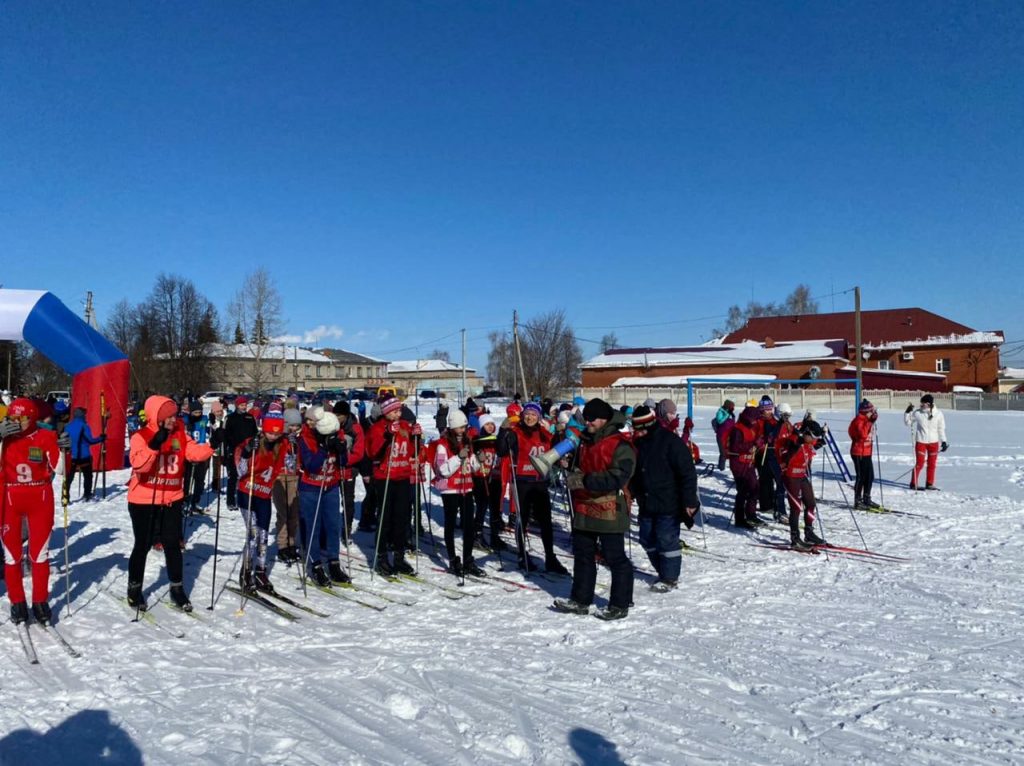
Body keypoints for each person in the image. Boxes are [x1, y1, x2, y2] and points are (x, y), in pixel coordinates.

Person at [126, 395, 214, 612]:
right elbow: (139, 466)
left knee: (172, 544)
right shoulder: (142, 435)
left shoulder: (180, 434)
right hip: (144, 499)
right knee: (143, 544)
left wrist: (213, 444)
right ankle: (134, 588)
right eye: (169, 416)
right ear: (158, 417)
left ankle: (177, 588)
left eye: (174, 415)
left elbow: (194, 453)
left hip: (172, 498)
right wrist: (154, 445)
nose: (173, 419)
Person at [553, 398, 636, 620]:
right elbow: (584, 466)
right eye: (586, 418)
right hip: (584, 506)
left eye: (592, 419)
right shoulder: (585, 441)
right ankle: (580, 600)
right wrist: (569, 465)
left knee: (614, 557)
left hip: (610, 507)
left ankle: (620, 603)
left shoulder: (620, 444)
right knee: (582, 554)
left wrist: (584, 480)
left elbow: (618, 477)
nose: (587, 422)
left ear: (605, 419)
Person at [1, 399, 60, 624]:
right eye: (14, 418)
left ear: (32, 417)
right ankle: (17, 602)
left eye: (23, 418)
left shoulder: (45, 436)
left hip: (39, 497)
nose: (18, 423)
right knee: (12, 554)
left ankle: (40, 601)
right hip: (9, 499)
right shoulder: (5, 438)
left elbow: (61, 468)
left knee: (39, 553)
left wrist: (64, 449)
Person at [628, 405, 698, 592]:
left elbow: (688, 473)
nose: (637, 432)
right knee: (646, 538)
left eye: (640, 429)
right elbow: (636, 472)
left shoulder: (670, 442)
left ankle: (669, 577)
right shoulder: (639, 444)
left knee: (666, 539)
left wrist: (690, 500)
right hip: (647, 501)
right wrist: (633, 490)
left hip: (669, 501)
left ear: (648, 425)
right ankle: (663, 570)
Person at [496, 401, 569, 574]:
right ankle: (522, 555)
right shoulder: (515, 432)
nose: (530, 417)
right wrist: (503, 431)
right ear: (523, 415)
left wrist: (560, 435)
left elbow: (554, 452)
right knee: (523, 519)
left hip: (540, 482)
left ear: (538, 417)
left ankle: (550, 557)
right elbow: (501, 451)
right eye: (527, 414)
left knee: (545, 522)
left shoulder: (544, 433)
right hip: (522, 481)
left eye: (534, 415)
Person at [236, 413, 292, 593]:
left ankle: (260, 571)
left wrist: (293, 449)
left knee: (264, 536)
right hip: (247, 493)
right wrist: (246, 453)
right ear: (264, 430)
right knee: (253, 535)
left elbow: (291, 467)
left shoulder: (282, 444)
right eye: (270, 433)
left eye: (277, 434)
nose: (273, 437)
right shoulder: (251, 443)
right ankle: (245, 572)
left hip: (264, 495)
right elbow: (240, 471)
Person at [365, 394, 419, 576]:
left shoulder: (404, 426)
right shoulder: (377, 428)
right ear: (386, 412)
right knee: (385, 517)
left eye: (399, 411)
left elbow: (412, 451)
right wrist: (387, 436)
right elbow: (373, 453)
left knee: (402, 518)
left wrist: (415, 438)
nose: (398, 414)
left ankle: (398, 556)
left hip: (402, 476)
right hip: (384, 477)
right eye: (394, 411)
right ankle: (381, 557)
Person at [296, 410, 349, 586]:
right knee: (313, 527)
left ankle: (334, 563)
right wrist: (323, 448)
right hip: (310, 487)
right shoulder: (305, 438)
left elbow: (343, 462)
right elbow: (311, 465)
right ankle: (316, 564)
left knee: (334, 525)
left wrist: (341, 450)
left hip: (331, 486)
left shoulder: (334, 433)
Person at [432, 409, 485, 578]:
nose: (463, 431)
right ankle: (453, 559)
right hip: (450, 490)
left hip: (467, 488)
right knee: (450, 524)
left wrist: (478, 460)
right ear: (453, 427)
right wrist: (458, 458)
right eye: (460, 428)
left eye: (465, 427)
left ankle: (468, 559)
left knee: (468, 525)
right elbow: (443, 470)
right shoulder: (443, 444)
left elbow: (472, 467)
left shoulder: (467, 442)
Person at [781, 418, 826, 548]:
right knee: (796, 507)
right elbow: (785, 456)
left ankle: (809, 532)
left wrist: (822, 437)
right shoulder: (793, 441)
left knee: (811, 503)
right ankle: (795, 538)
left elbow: (815, 443)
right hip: (790, 476)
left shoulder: (808, 440)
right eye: (812, 437)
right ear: (805, 433)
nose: (813, 440)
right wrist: (797, 444)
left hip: (802, 475)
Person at [472, 415, 506, 550]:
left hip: (495, 477)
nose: (490, 426)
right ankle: (477, 535)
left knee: (495, 508)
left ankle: (494, 536)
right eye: (487, 424)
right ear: (481, 427)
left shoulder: (496, 441)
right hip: (481, 477)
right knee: (482, 506)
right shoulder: (477, 441)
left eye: (492, 424)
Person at [273, 408, 303, 564]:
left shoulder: (298, 440)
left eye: (297, 426)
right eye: (291, 425)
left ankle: (291, 543)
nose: (294, 429)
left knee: (294, 513)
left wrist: (296, 445)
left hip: (294, 477)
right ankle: (282, 545)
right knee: (283, 513)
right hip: (279, 478)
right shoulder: (277, 438)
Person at [333, 401, 365, 536]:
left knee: (347, 501)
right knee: (332, 501)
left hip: (348, 470)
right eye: (335, 414)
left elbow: (359, 452)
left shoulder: (355, 428)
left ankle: (347, 528)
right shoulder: (332, 427)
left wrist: (345, 460)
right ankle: (331, 527)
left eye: (339, 415)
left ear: (345, 416)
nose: (336, 418)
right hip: (333, 470)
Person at [728, 405, 763, 529]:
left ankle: (751, 514)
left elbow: (753, 445)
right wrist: (752, 444)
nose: (755, 421)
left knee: (755, 488)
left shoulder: (751, 428)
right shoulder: (737, 429)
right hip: (738, 463)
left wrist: (759, 443)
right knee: (743, 491)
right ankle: (739, 518)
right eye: (754, 419)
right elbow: (735, 447)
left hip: (749, 463)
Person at [905, 394, 947, 490]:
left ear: (929, 404)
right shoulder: (918, 413)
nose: (921, 405)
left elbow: (941, 429)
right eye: (921, 403)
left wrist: (944, 441)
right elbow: (908, 422)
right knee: (920, 463)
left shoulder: (938, 414)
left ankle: (929, 483)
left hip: (934, 442)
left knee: (932, 464)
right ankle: (913, 483)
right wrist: (907, 413)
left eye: (923, 403)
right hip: (921, 442)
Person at [64, 406, 105, 502]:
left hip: (71, 456)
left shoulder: (68, 426)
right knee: (88, 476)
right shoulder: (84, 426)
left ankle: (65, 497)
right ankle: (87, 494)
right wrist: (100, 438)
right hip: (84, 455)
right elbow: (90, 440)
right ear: (82, 415)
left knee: (69, 477)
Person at [223, 396, 257, 510]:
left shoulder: (250, 417)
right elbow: (225, 436)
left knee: (247, 475)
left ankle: (246, 499)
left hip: (247, 449)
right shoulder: (230, 418)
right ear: (237, 405)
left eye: (245, 405)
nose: (244, 407)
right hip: (233, 449)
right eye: (242, 405)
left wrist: (253, 443)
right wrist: (225, 452)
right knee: (233, 476)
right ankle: (230, 501)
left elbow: (255, 433)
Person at [849, 399, 880, 508]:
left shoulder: (866, 420)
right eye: (871, 411)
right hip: (858, 453)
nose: (872, 413)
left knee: (870, 476)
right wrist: (870, 422)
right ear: (865, 411)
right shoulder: (858, 421)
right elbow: (862, 435)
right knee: (861, 477)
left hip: (867, 452)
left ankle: (867, 497)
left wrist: (872, 421)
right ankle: (858, 501)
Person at [182, 400, 210, 513]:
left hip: (201, 452)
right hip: (189, 453)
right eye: (195, 412)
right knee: (187, 479)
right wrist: (187, 427)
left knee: (199, 479)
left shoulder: (204, 419)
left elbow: (210, 426)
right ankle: (185, 501)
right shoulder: (186, 420)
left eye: (199, 412)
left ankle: (195, 502)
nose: (198, 414)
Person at [713, 400, 736, 472]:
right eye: (731, 407)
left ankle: (732, 466)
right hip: (721, 436)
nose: (732, 409)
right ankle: (721, 468)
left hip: (729, 436)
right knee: (723, 452)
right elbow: (720, 421)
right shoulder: (720, 412)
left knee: (730, 451)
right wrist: (726, 415)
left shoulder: (730, 414)